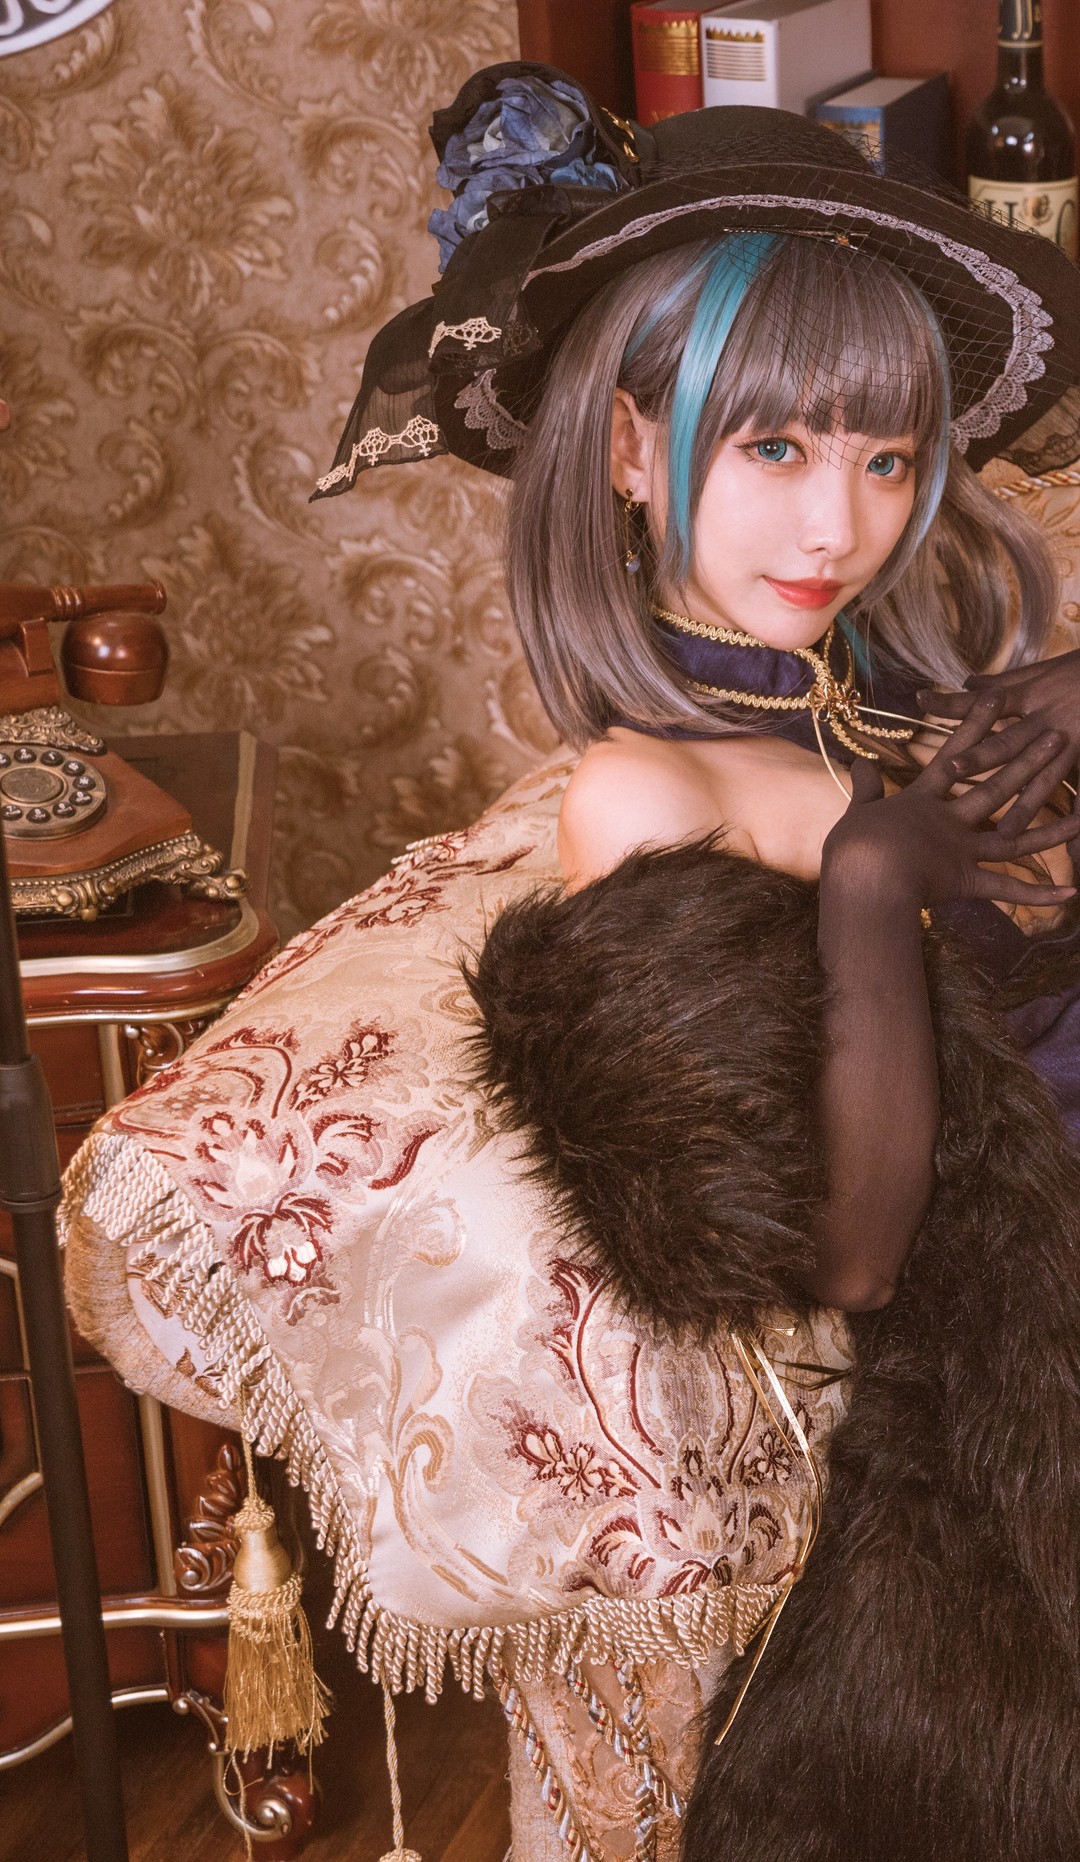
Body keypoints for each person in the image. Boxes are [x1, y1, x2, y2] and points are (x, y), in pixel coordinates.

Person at [311, 62, 1080, 1861]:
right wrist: (875, 878)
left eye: (887, 458)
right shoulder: (644, 794)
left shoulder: (889, 699)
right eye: (776, 448)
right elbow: (851, 1251)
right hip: (1019, 1365)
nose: (839, 526)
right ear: (626, 452)